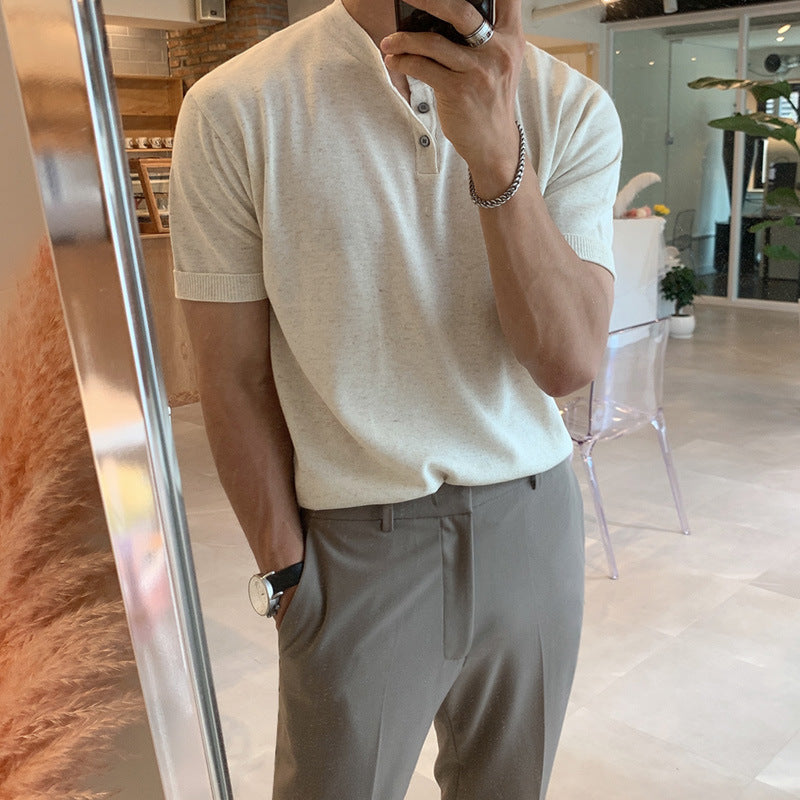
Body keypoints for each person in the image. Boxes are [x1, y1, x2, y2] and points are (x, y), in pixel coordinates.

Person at [170, 0, 621, 797]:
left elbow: (568, 361)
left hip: (531, 522)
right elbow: (232, 375)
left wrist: (497, 155)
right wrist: (285, 572)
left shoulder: (571, 104)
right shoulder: (235, 105)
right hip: (354, 542)